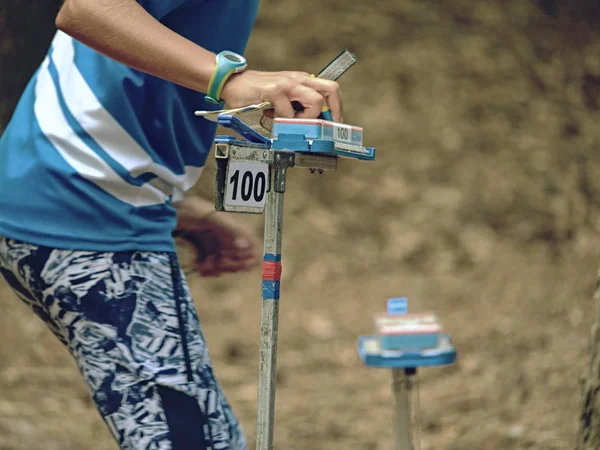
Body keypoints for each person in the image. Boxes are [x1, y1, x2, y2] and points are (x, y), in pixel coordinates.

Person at [0, 0, 343, 448]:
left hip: (57, 195)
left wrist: (179, 208)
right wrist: (231, 79)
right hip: (90, 215)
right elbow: (87, 8)